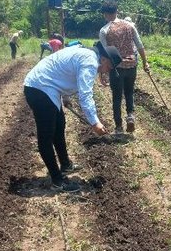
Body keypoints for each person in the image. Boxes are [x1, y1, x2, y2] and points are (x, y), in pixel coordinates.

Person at [23, 43, 121, 192]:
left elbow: (63, 72)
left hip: (47, 88)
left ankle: (66, 165)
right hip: (40, 88)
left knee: (59, 126)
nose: (108, 71)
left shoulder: (86, 54)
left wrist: (65, 96)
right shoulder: (90, 62)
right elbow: (85, 95)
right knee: (46, 136)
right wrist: (95, 122)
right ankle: (57, 181)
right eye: (110, 67)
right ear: (104, 59)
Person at [99, 0, 150, 134]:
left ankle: (119, 128)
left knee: (116, 96)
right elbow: (139, 45)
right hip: (132, 65)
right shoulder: (129, 25)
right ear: (117, 11)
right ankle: (130, 116)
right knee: (129, 92)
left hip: (116, 68)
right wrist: (145, 62)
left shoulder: (104, 30)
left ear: (104, 14)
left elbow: (104, 54)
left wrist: (102, 73)